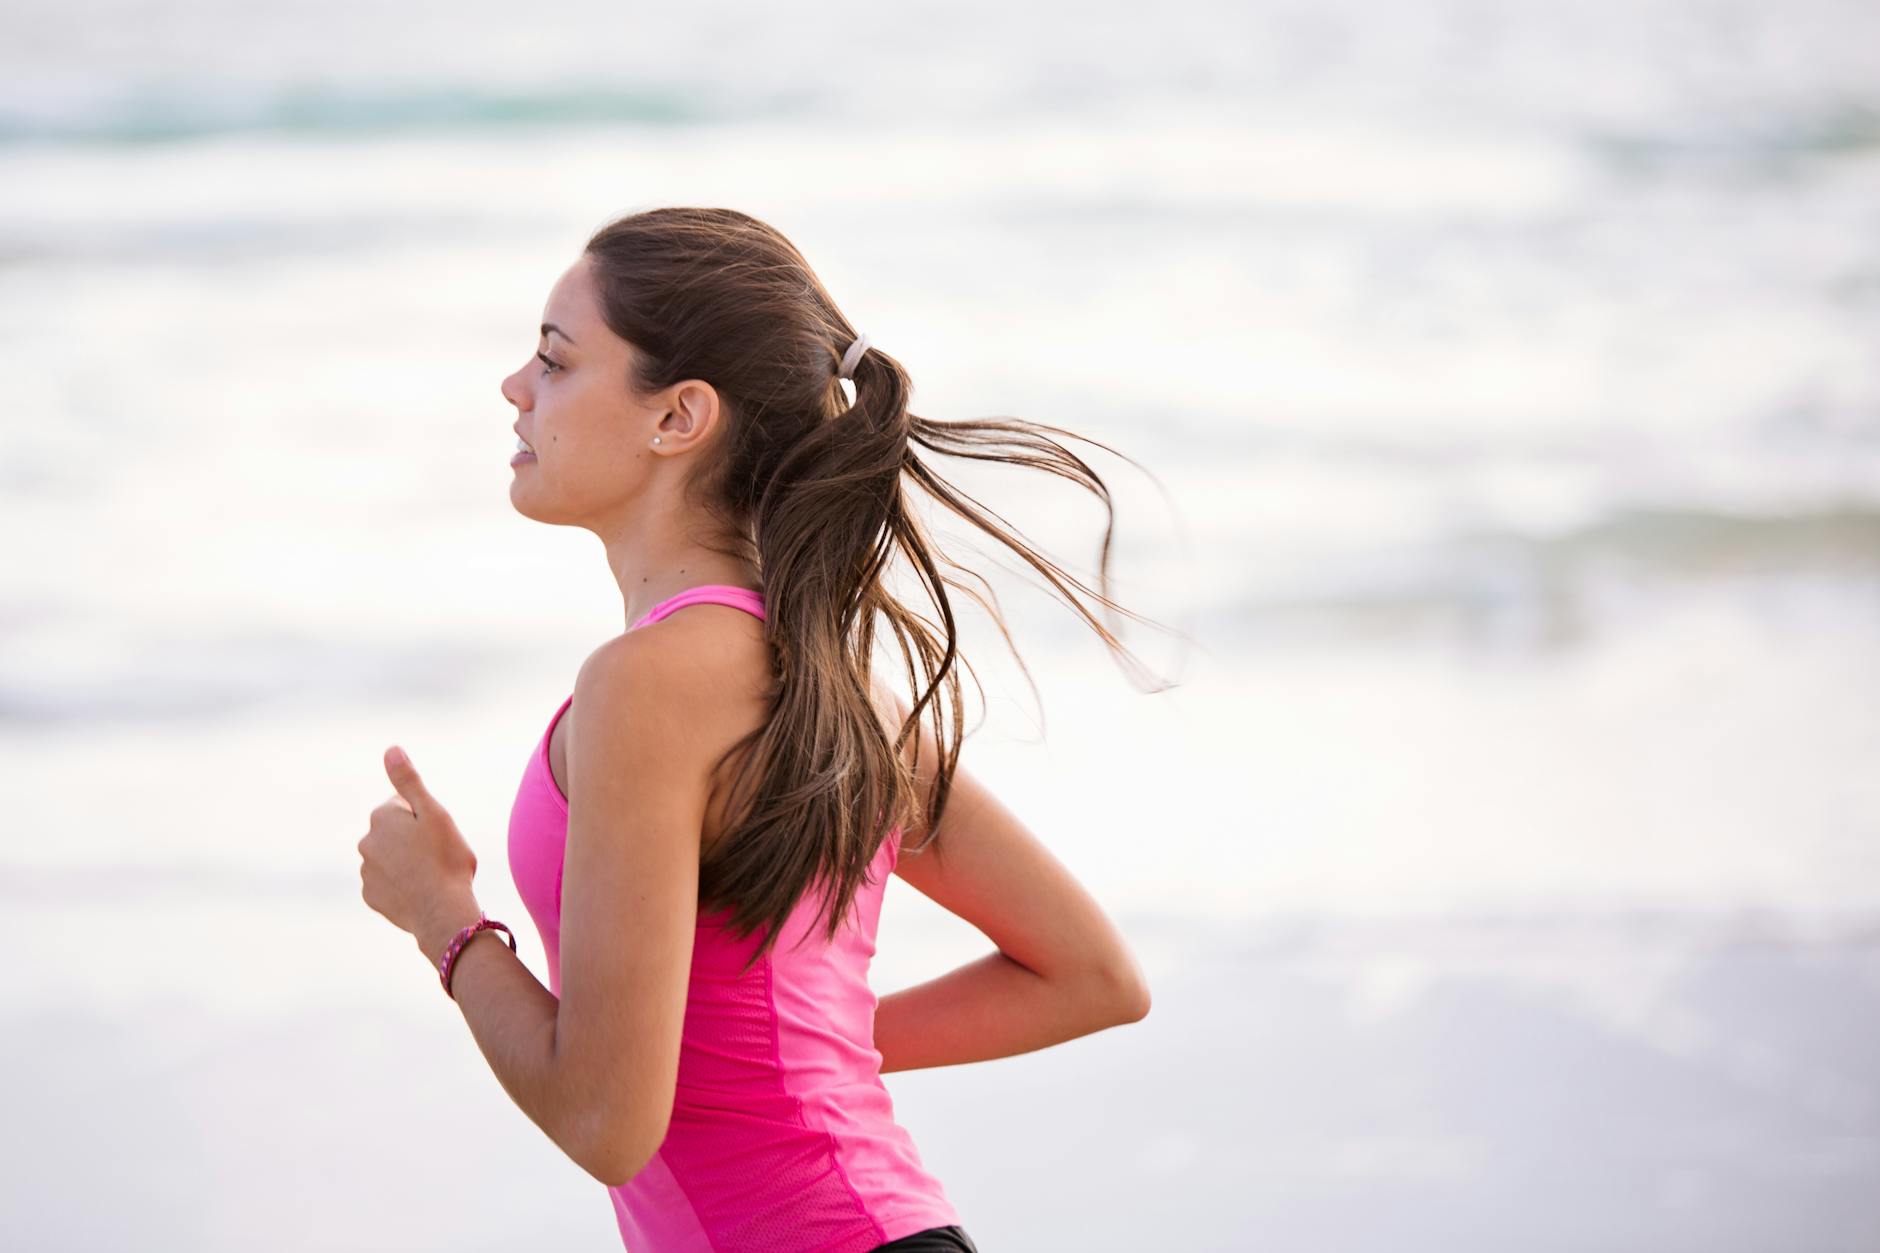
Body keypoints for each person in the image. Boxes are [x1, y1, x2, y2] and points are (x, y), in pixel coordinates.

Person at [357, 206, 1168, 1252]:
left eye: (555, 362)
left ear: (677, 416)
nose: (515, 386)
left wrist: (444, 918)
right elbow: (1089, 975)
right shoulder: (825, 678)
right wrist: (798, 1058)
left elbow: (605, 1121)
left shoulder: (645, 684)